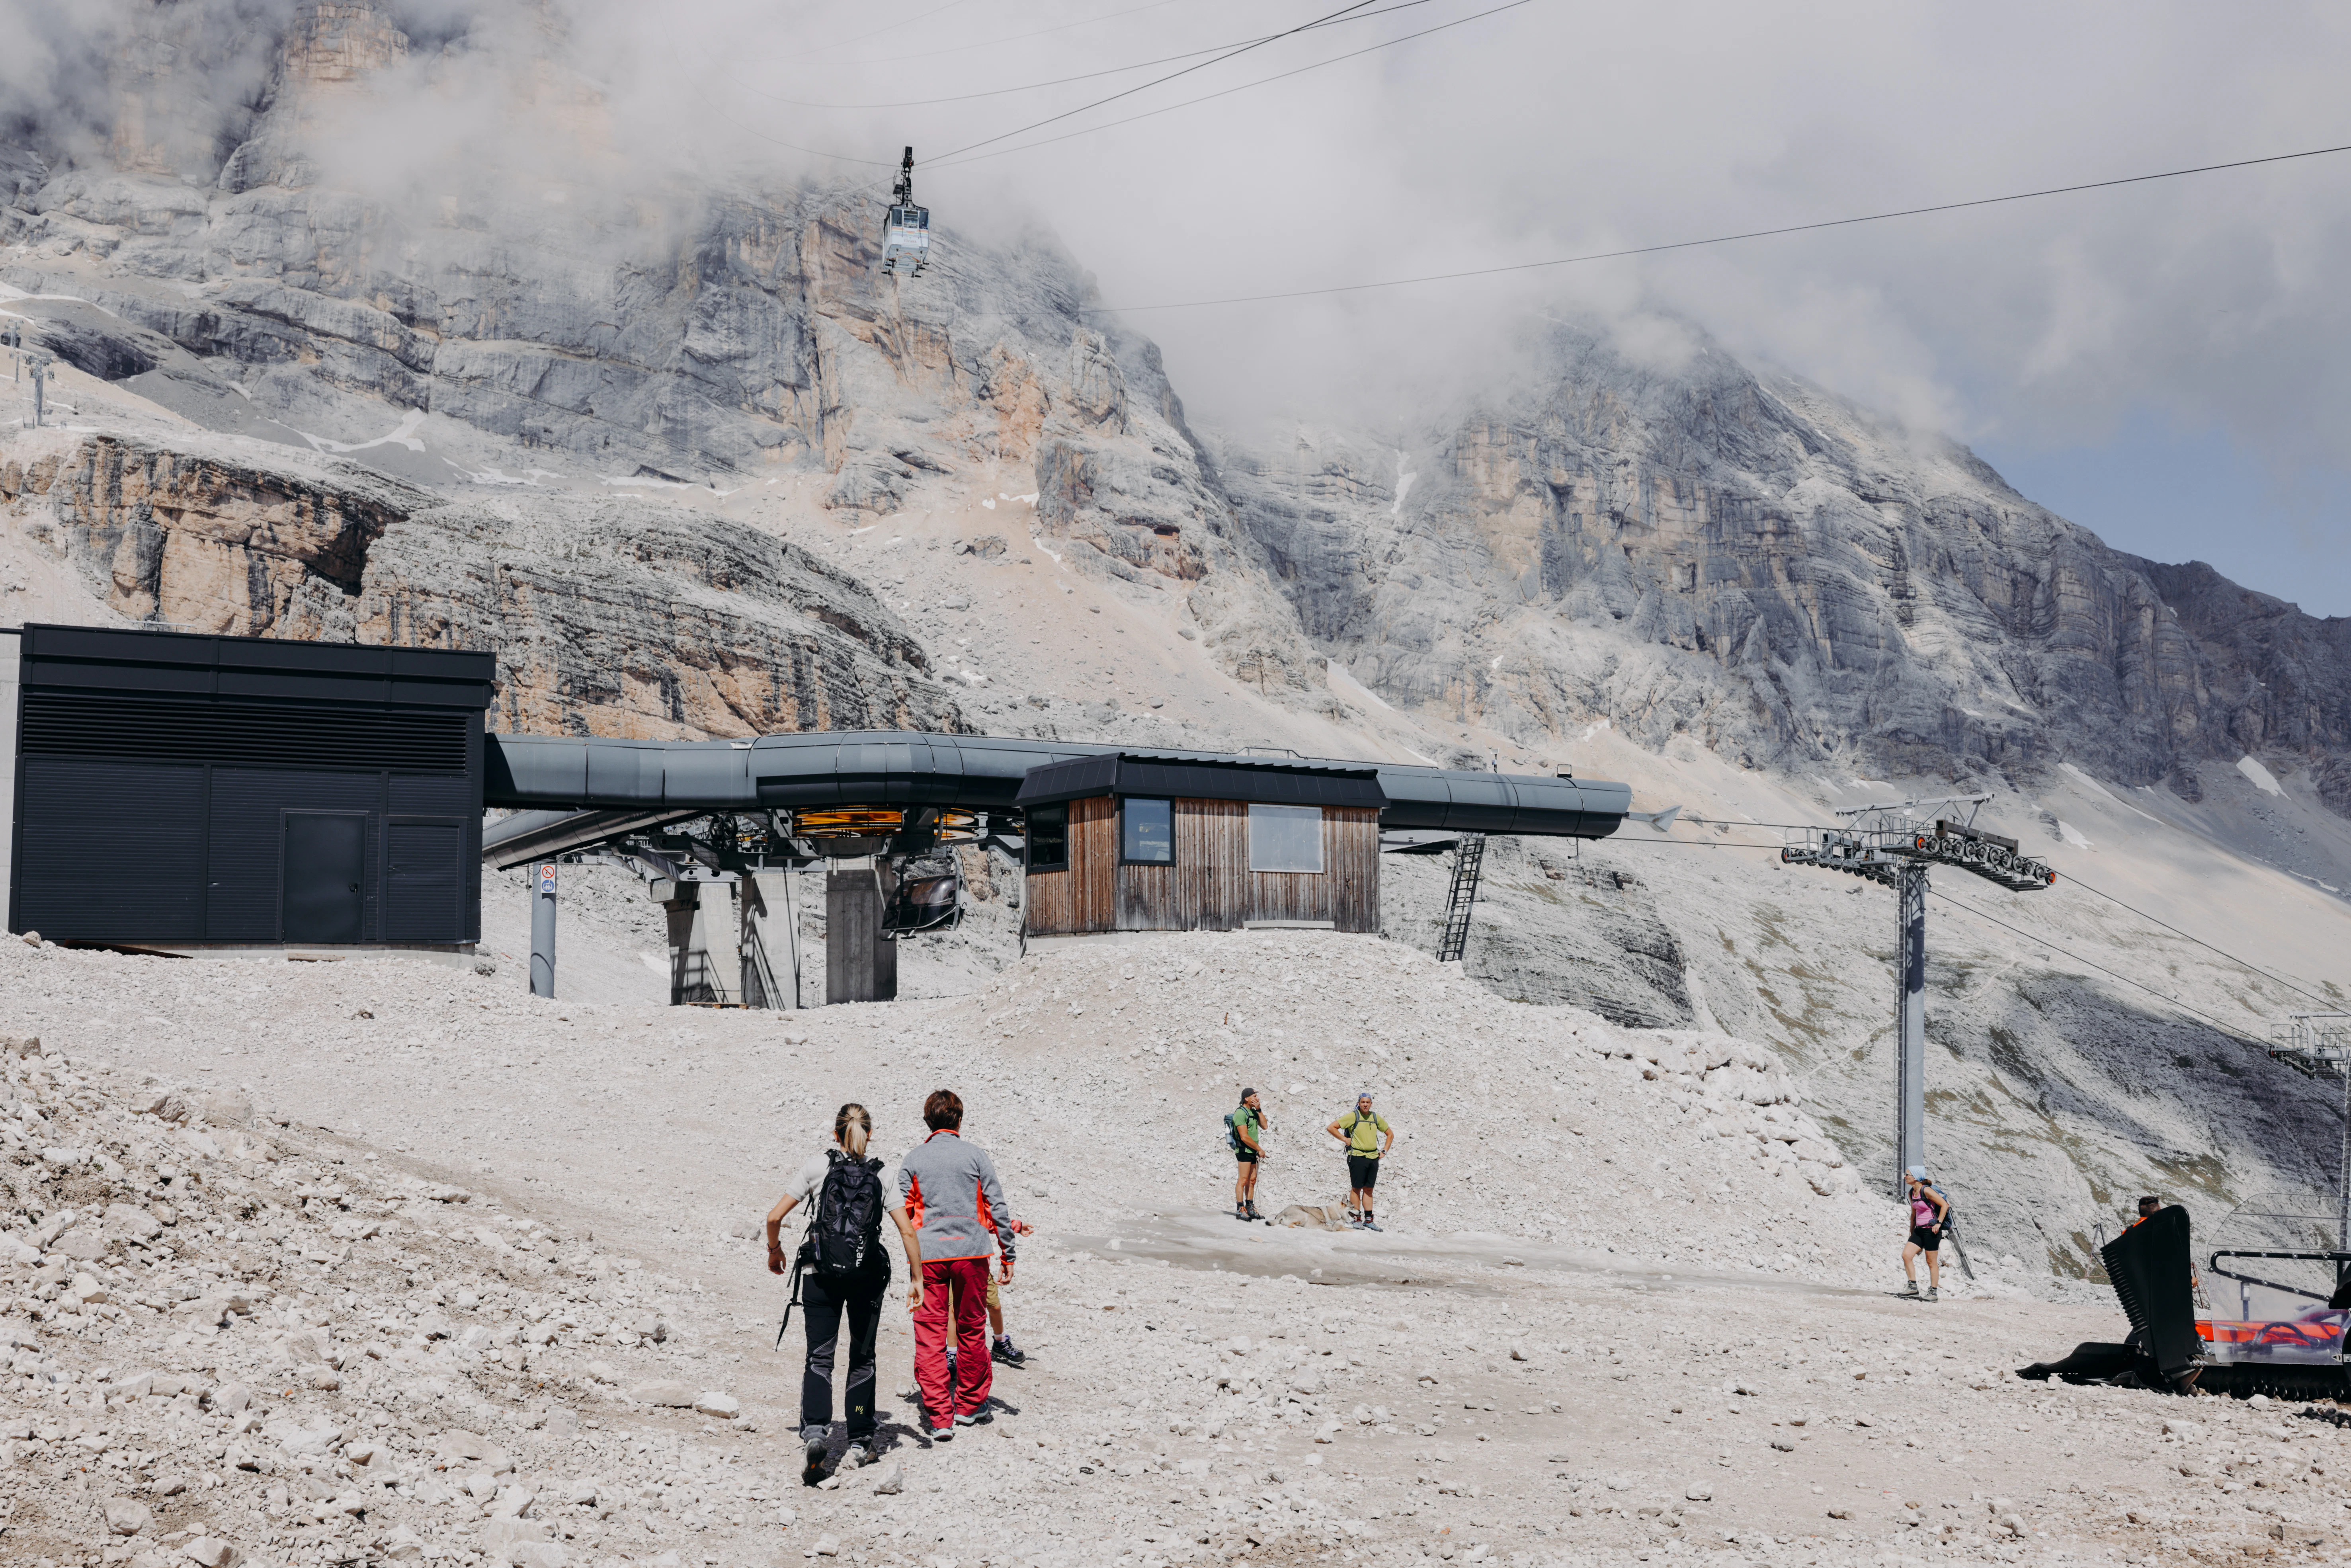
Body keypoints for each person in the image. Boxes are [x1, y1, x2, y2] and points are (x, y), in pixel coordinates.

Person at [765, 1103, 922, 1486]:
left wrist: (775, 1249)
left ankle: (817, 1432)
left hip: (820, 1274)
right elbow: (906, 1230)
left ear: (836, 1134)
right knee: (862, 1357)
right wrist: (916, 1277)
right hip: (866, 1276)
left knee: (820, 1354)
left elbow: (774, 1217)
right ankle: (859, 1441)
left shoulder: (818, 1166)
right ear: (870, 1134)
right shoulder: (882, 1174)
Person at [899, 1088, 1017, 1439]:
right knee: (971, 1329)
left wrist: (912, 1261)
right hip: (973, 1253)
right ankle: (968, 1405)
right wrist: (1008, 1252)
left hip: (930, 1256)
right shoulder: (976, 1156)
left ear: (927, 1122)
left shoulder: (914, 1158)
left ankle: (939, 1416)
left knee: (930, 1334)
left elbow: (902, 1212)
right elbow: (998, 1206)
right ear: (960, 1120)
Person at [1325, 1092, 1394, 1231]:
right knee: (1357, 1188)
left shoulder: (1375, 1117)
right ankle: (1356, 1219)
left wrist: (1384, 1151)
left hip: (1373, 1157)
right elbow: (1332, 1127)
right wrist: (1345, 1140)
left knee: (1369, 1189)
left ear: (1371, 1104)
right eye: (1363, 1102)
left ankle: (1369, 1220)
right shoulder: (1353, 1116)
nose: (1365, 1105)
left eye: (1368, 1102)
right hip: (1357, 1156)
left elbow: (1390, 1134)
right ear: (1359, 1103)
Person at [1899, 1166, 1949, 1301]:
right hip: (1919, 1231)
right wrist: (1911, 1232)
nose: (1905, 1177)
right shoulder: (1911, 1193)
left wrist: (1938, 1223)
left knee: (1931, 1262)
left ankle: (1933, 1293)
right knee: (1906, 1255)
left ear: (1915, 1177)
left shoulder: (1926, 1190)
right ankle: (1913, 1288)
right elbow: (1914, 1214)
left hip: (1932, 1231)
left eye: (1907, 1175)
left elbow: (1945, 1205)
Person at [1226, 1088, 1269, 1221]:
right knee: (1243, 1179)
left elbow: (1265, 1126)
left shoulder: (1253, 1112)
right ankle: (1240, 1209)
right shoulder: (1240, 1113)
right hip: (1244, 1150)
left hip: (1252, 1151)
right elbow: (1244, 1137)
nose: (1258, 1098)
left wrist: (1259, 1110)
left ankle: (1250, 1207)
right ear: (1247, 1098)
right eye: (1255, 1096)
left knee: (1252, 1180)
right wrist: (1260, 1149)